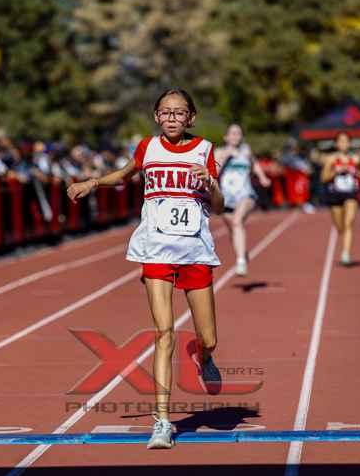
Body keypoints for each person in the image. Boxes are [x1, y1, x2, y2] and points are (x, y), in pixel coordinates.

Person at [67, 88, 225, 449]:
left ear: (191, 118)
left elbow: (218, 206)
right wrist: (93, 182)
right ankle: (163, 421)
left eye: (179, 113)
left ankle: (204, 356)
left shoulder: (204, 150)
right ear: (156, 117)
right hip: (155, 249)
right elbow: (124, 175)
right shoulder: (147, 148)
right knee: (163, 332)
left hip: (195, 250)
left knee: (210, 338)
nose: (172, 118)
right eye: (165, 112)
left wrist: (211, 184)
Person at [215, 124, 270, 276]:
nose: (235, 136)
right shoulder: (219, 152)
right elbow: (214, 172)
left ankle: (240, 262)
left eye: (238, 133)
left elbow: (254, 164)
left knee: (237, 222)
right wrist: (225, 156)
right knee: (233, 229)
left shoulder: (246, 151)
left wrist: (262, 177)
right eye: (232, 133)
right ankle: (242, 253)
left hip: (245, 194)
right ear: (226, 137)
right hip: (226, 197)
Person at [321, 132, 360, 265]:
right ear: (337, 144)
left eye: (346, 141)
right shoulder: (331, 159)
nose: (343, 144)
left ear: (349, 143)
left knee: (349, 223)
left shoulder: (356, 159)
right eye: (341, 141)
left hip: (351, 193)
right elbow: (323, 178)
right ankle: (344, 239)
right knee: (340, 227)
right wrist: (336, 171)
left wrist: (357, 173)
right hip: (335, 194)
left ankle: (346, 254)